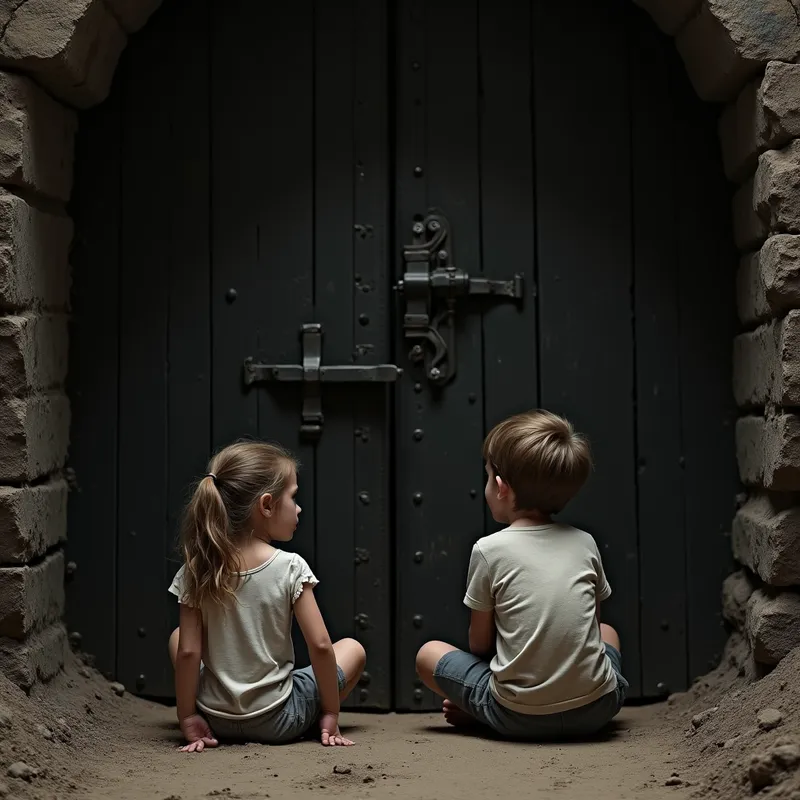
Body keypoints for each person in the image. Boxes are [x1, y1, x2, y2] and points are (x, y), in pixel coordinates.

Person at [415, 409, 628, 740]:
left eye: (487, 476)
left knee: (428, 655)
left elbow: (480, 644)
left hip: (517, 716)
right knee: (609, 632)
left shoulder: (489, 550)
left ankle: (482, 711)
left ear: (501, 487)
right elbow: (592, 630)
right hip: (596, 711)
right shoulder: (585, 543)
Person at [167, 440, 365, 751]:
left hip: (214, 719)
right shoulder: (290, 567)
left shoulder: (197, 569)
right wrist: (330, 712)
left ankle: (204, 711)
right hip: (280, 719)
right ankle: (315, 713)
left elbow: (189, 653)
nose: (298, 508)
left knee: (179, 638)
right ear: (267, 505)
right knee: (352, 648)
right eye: (294, 497)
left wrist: (188, 715)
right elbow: (322, 646)